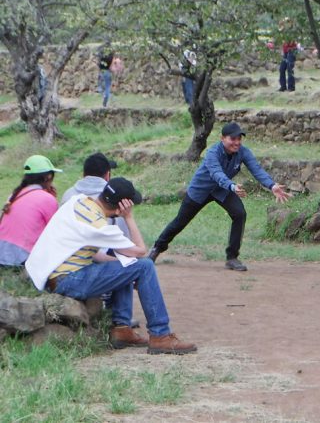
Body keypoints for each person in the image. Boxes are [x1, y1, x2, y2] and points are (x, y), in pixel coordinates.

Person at [25, 177, 197, 355]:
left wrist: (126, 267)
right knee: (144, 266)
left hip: (56, 276)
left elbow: (90, 253)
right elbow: (141, 251)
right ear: (121, 205)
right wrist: (128, 217)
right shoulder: (99, 225)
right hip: (70, 280)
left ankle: (122, 329)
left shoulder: (79, 202)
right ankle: (160, 335)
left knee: (126, 262)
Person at [148, 122, 291, 271]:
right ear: (222, 138)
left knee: (239, 214)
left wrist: (271, 185)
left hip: (222, 190)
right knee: (180, 221)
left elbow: (257, 169)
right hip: (201, 190)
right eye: (232, 139)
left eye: (239, 139)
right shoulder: (212, 153)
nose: (237, 142)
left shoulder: (243, 152)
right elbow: (216, 173)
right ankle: (157, 248)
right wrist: (232, 186)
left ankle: (232, 258)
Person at [0, 155, 61, 266]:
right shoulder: (47, 198)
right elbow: (56, 232)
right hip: (20, 258)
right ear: (48, 177)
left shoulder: (14, 195)